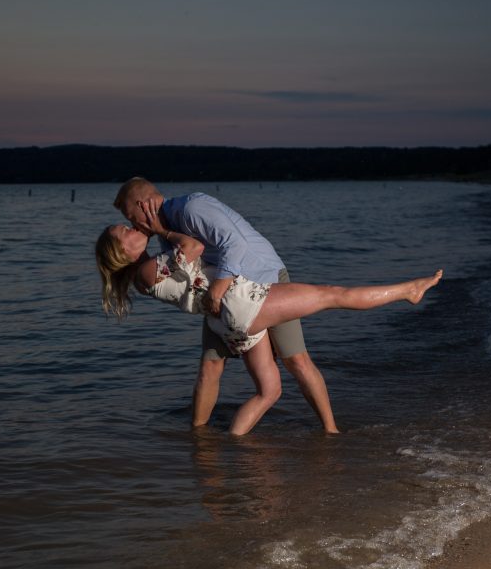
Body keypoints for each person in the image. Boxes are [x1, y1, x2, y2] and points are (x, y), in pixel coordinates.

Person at [95, 218, 442, 436]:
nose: (129, 227)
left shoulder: (147, 274)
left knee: (270, 390)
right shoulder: (147, 271)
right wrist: (161, 228)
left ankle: (234, 442)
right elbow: (195, 246)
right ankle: (407, 291)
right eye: (123, 231)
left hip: (227, 322)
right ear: (122, 252)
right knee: (330, 295)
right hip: (243, 306)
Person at [113, 178, 339, 433]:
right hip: (229, 298)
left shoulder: (191, 208)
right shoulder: (166, 237)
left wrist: (218, 290)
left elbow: (235, 245)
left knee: (296, 360)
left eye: (131, 217)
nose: (134, 225)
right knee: (210, 366)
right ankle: (199, 438)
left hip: (265, 278)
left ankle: (330, 432)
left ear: (144, 206)